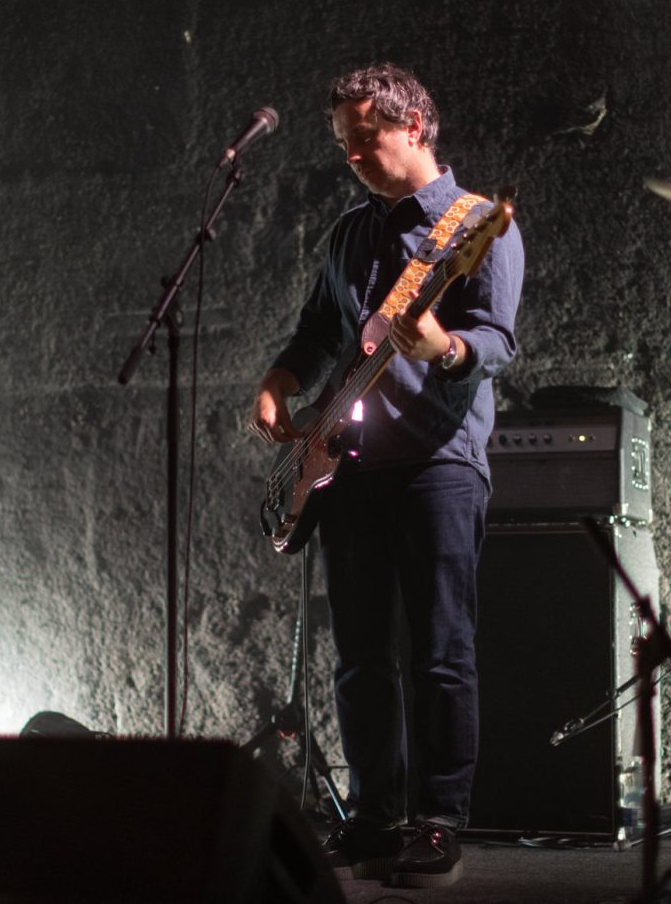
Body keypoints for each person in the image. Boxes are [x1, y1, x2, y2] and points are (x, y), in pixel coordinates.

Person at [248, 62, 524, 888]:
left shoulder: (480, 225)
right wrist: (279, 383)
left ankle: (437, 821)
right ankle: (372, 819)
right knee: (360, 656)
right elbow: (315, 331)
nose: (354, 156)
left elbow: (496, 341)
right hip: (349, 464)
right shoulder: (348, 233)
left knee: (441, 649)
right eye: (342, 144)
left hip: (439, 461)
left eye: (366, 139)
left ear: (416, 127)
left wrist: (441, 346)